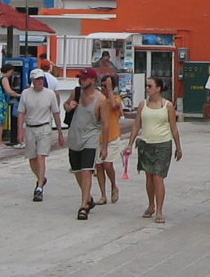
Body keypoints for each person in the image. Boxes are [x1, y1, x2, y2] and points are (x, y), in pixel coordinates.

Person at [125, 77, 181, 222]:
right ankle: (151, 205)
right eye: (146, 86)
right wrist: (130, 144)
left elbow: (174, 127)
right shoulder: (143, 104)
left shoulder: (167, 105)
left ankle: (160, 210)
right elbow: (136, 125)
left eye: (150, 86)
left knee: (158, 177)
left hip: (163, 144)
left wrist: (178, 147)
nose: (147, 88)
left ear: (158, 88)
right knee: (149, 177)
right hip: (145, 143)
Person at [64, 78, 104, 220]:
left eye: (84, 78)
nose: (81, 81)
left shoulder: (100, 99)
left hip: (91, 138)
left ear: (92, 80)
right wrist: (69, 106)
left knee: (87, 171)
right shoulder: (76, 92)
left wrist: (104, 146)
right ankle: (88, 198)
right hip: (75, 137)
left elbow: (105, 124)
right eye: (80, 78)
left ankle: (83, 206)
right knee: (77, 171)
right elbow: (66, 105)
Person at [20, 68, 64, 201]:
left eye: (42, 79)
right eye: (38, 79)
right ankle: (41, 177)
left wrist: (60, 132)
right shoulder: (26, 93)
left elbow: (56, 113)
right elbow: (21, 113)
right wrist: (20, 131)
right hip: (30, 127)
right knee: (32, 158)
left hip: (44, 127)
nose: (40, 81)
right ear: (32, 80)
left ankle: (39, 187)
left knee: (40, 157)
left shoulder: (50, 94)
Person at [94, 73, 122, 207]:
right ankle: (103, 194)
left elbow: (115, 106)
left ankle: (113, 185)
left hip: (112, 136)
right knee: (98, 166)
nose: (103, 88)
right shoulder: (98, 100)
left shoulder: (115, 98)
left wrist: (110, 90)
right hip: (98, 137)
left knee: (107, 165)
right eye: (102, 86)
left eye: (106, 86)